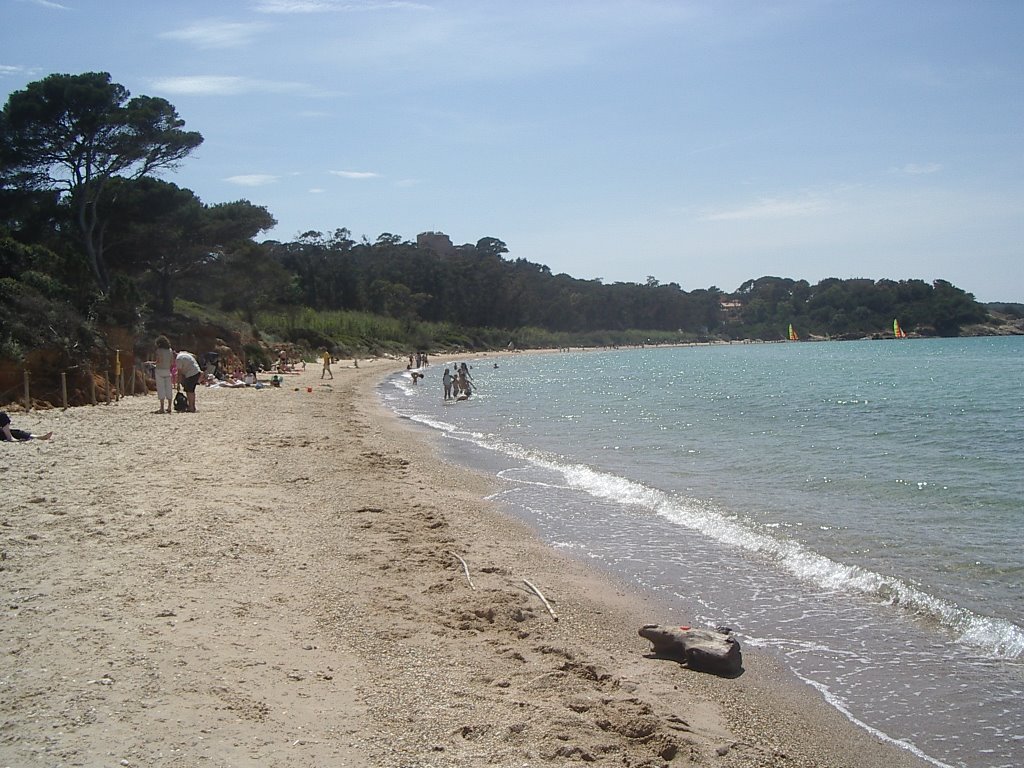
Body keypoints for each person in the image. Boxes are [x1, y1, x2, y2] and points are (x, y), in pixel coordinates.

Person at [152, 335, 175, 414]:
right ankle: (169, 407)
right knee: (169, 388)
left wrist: (153, 363)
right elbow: (172, 362)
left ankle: (162, 407)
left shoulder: (159, 350)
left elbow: (159, 360)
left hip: (159, 370)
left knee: (161, 388)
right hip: (167, 370)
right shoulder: (170, 350)